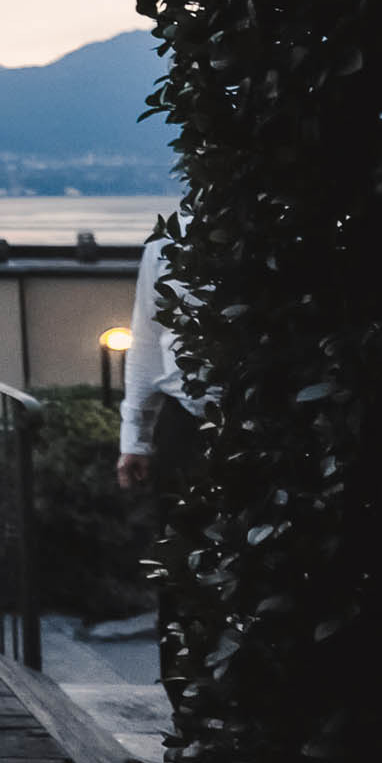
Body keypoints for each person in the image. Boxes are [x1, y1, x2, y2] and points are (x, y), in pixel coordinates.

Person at [114, 227, 214, 728]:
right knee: (180, 572)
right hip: (186, 429)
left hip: (265, 425)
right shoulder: (165, 248)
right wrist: (135, 436)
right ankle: (187, 725)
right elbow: (147, 339)